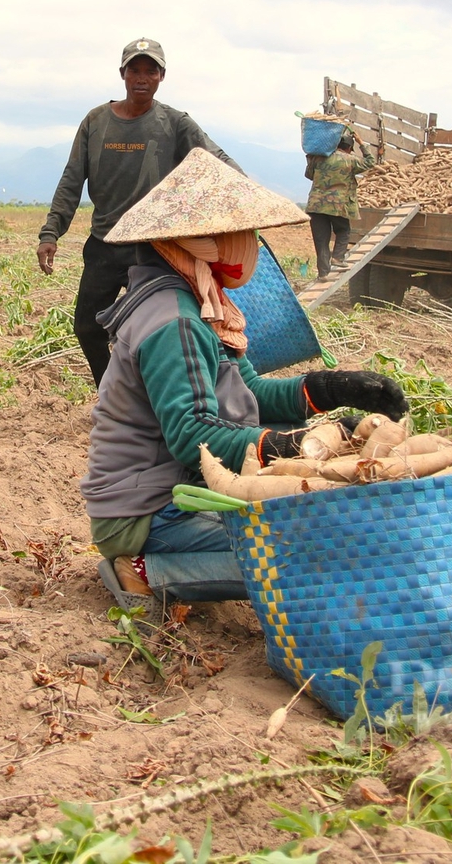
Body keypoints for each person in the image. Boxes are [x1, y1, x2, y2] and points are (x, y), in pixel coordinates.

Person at [79, 149, 409, 607]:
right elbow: (190, 432)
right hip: (150, 511)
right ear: (204, 241)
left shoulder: (199, 302)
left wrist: (333, 390)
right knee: (306, 553)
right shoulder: (173, 321)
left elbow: (250, 391)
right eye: (243, 233)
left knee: (316, 529)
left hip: (178, 492)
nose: (251, 244)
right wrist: (299, 445)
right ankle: (147, 572)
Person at [39, 38, 241, 384]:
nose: (142, 77)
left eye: (151, 70)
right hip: (105, 244)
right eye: (135, 69)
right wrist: (50, 233)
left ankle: (146, 398)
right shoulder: (96, 121)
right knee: (87, 328)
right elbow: (72, 178)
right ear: (123, 74)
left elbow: (215, 159)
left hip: (155, 250)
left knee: (155, 332)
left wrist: (246, 192)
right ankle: (110, 392)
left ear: (162, 76)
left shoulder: (175, 123)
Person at [304, 127, 375, 276]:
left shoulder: (319, 158)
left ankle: (323, 273)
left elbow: (309, 175)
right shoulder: (351, 160)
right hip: (337, 206)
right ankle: (337, 258)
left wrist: (312, 160)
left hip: (315, 206)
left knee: (321, 240)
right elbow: (370, 162)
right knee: (343, 231)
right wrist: (361, 142)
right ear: (349, 148)